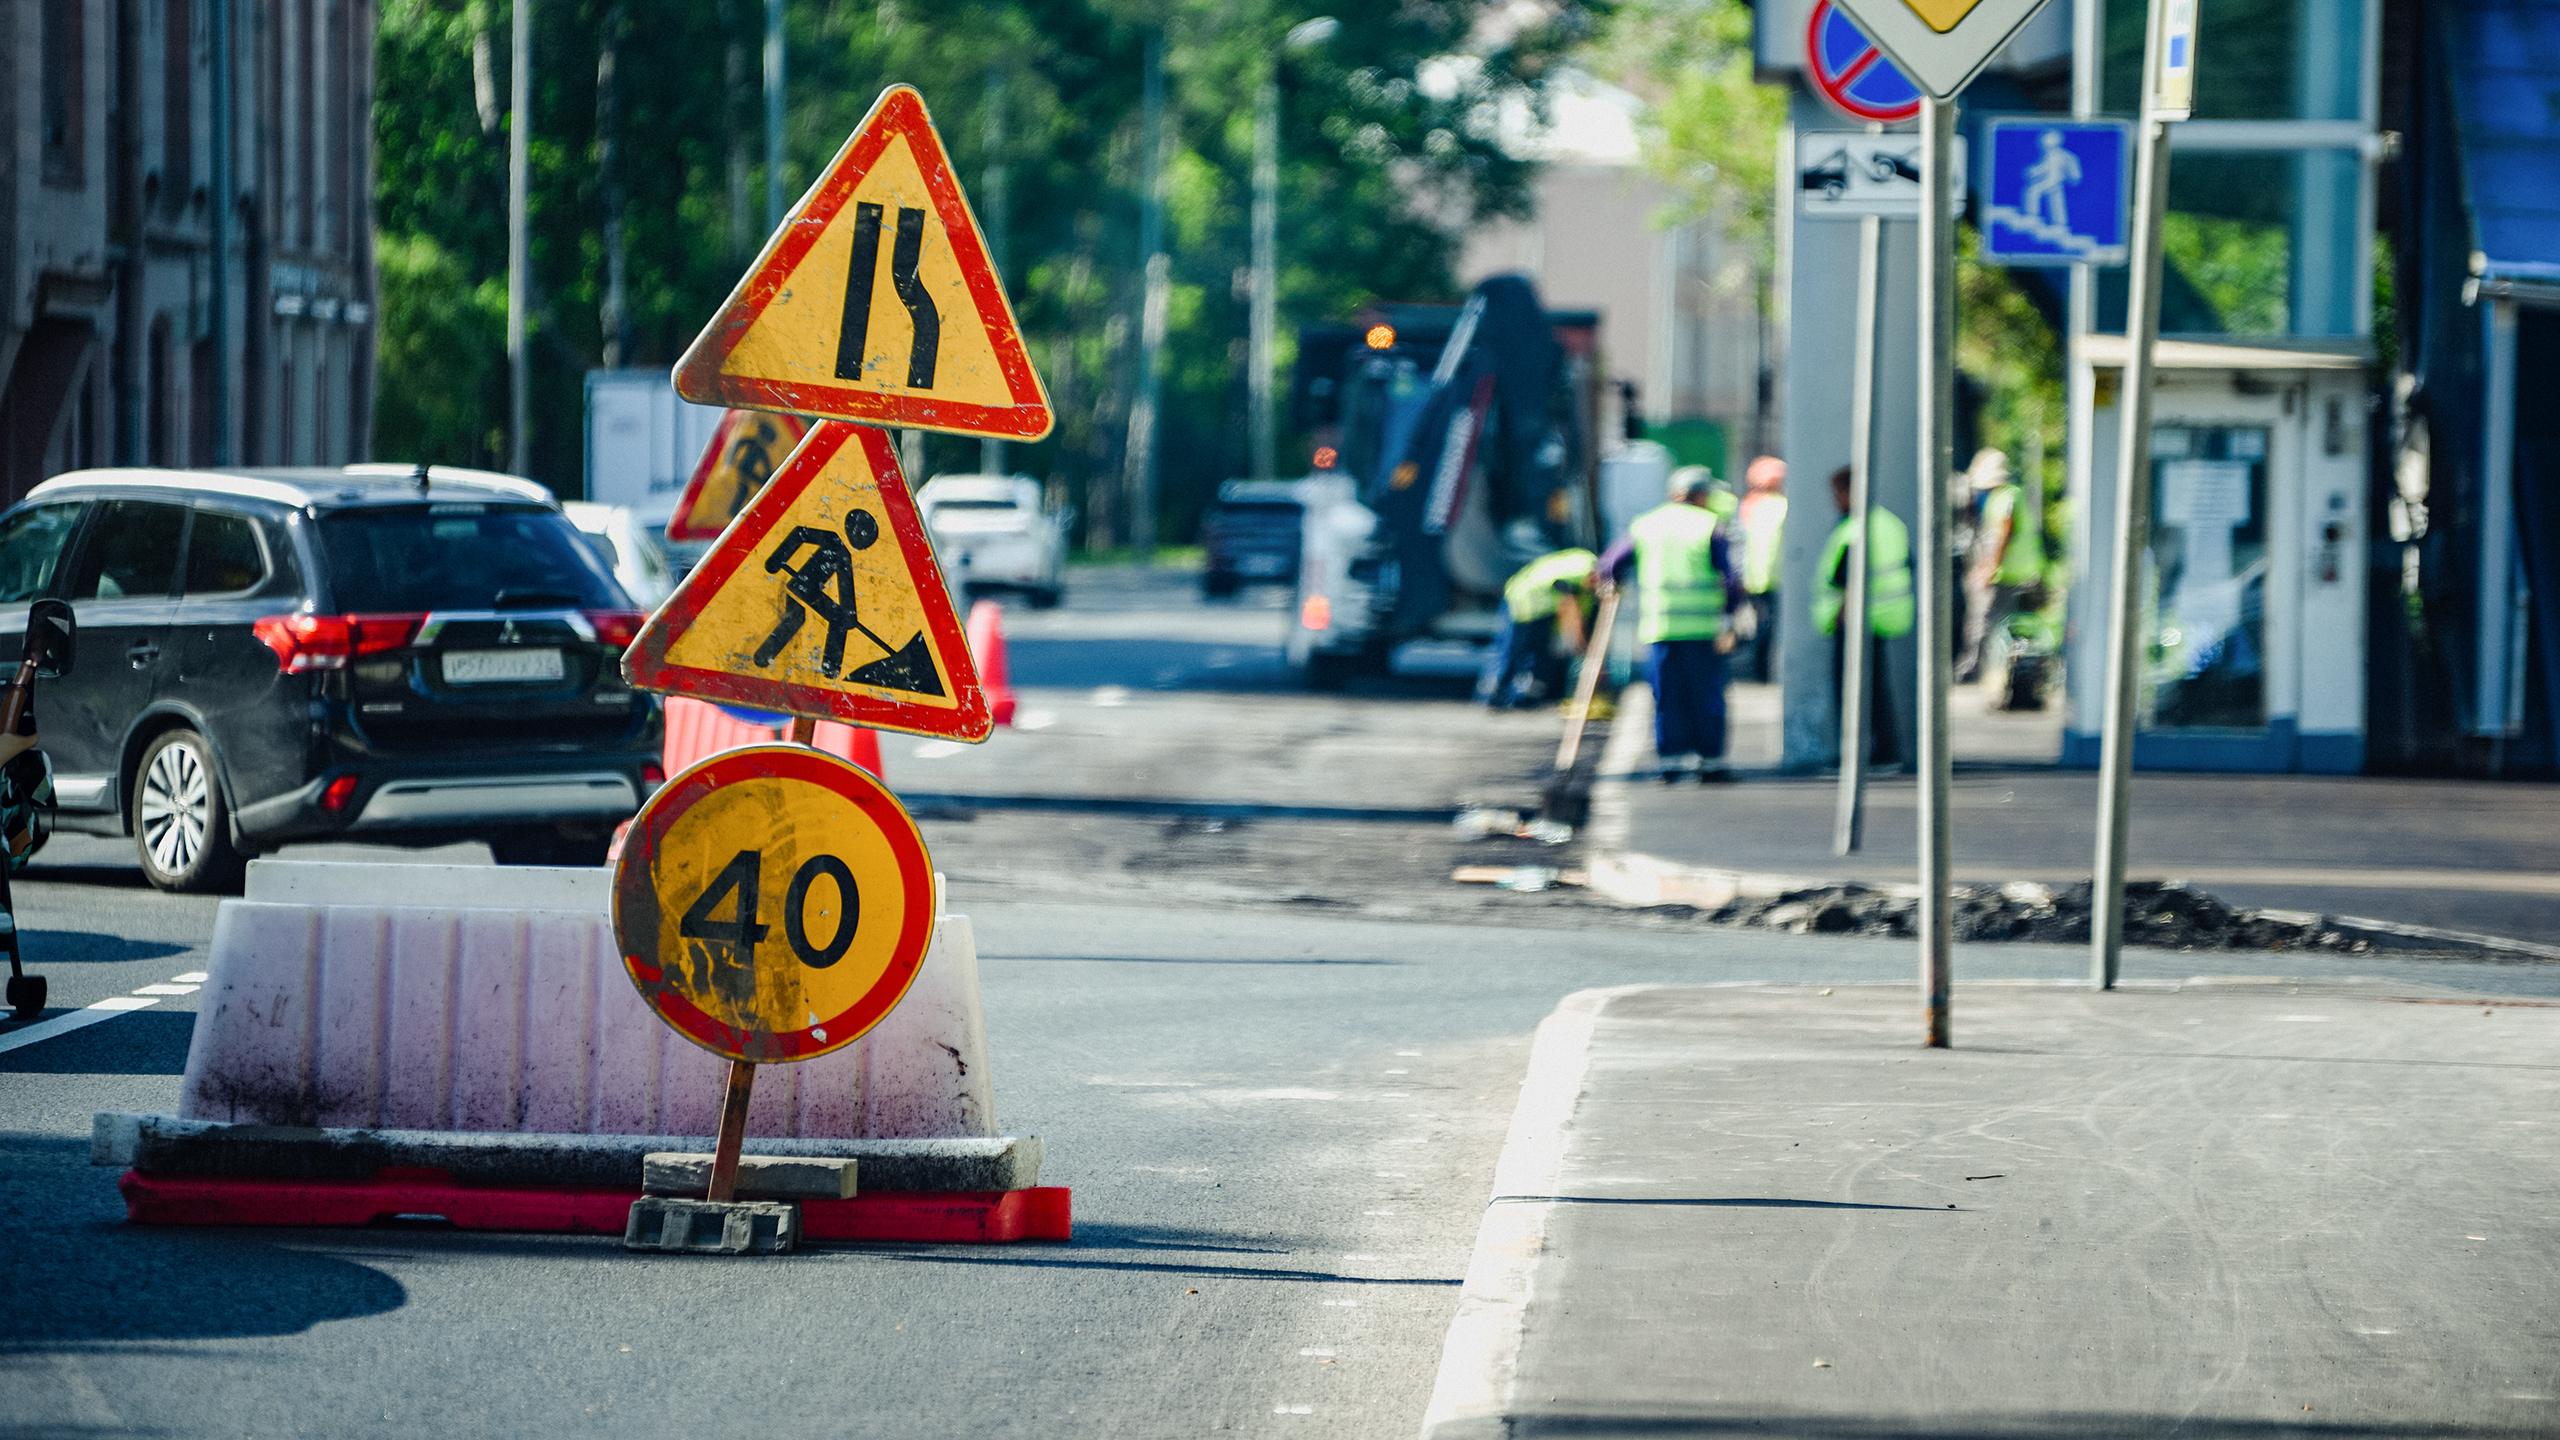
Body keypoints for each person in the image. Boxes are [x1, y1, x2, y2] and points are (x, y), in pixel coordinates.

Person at [1602, 471, 1747, 783]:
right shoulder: (1709, 526)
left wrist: (1610, 584)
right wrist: (1731, 615)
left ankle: (1670, 764)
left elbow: (1610, 565)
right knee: (1706, 697)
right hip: (1702, 630)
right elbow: (1732, 580)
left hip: (1661, 629)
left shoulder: (1646, 525)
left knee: (1667, 697)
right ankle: (1710, 764)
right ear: (1697, 495)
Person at [1816, 465, 1914, 769]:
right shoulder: (1889, 523)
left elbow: (1847, 579)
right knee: (1875, 691)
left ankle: (1857, 757)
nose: (1835, 500)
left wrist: (1839, 616)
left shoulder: (1853, 528)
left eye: (1838, 493)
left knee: (1852, 692)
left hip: (1856, 622)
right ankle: (1884, 752)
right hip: (1882, 618)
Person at [1957, 448, 2045, 684]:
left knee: (1984, 622)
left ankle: (1975, 670)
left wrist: (1986, 569)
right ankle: (1994, 672)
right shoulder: (2011, 493)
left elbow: (2002, 536)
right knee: (2008, 628)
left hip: (2008, 574)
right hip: (2022, 572)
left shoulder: (2003, 498)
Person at [1480, 547, 1598, 709]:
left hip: (1539, 605)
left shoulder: (1586, 570)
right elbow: (1570, 607)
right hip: (1525, 602)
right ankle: (1494, 697)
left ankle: (1523, 700)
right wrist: (1580, 646)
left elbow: (1576, 612)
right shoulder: (1580, 571)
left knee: (1535, 654)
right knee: (1514, 651)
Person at [1736, 456, 1787, 683]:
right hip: (1775, 579)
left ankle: (1760, 672)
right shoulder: (1781, 506)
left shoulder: (1751, 506)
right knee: (1769, 630)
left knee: (1762, 629)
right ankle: (1765, 672)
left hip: (1757, 579)